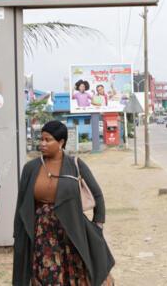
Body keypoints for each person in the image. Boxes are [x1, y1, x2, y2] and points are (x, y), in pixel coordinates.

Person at [13, 120, 114, 285]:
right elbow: (21, 205)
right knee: (46, 276)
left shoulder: (75, 164)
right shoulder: (31, 168)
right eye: (41, 139)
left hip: (72, 232)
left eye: (48, 140)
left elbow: (97, 195)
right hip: (42, 235)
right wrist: (18, 234)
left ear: (61, 142)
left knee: (73, 276)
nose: (42, 143)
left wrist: (98, 225)